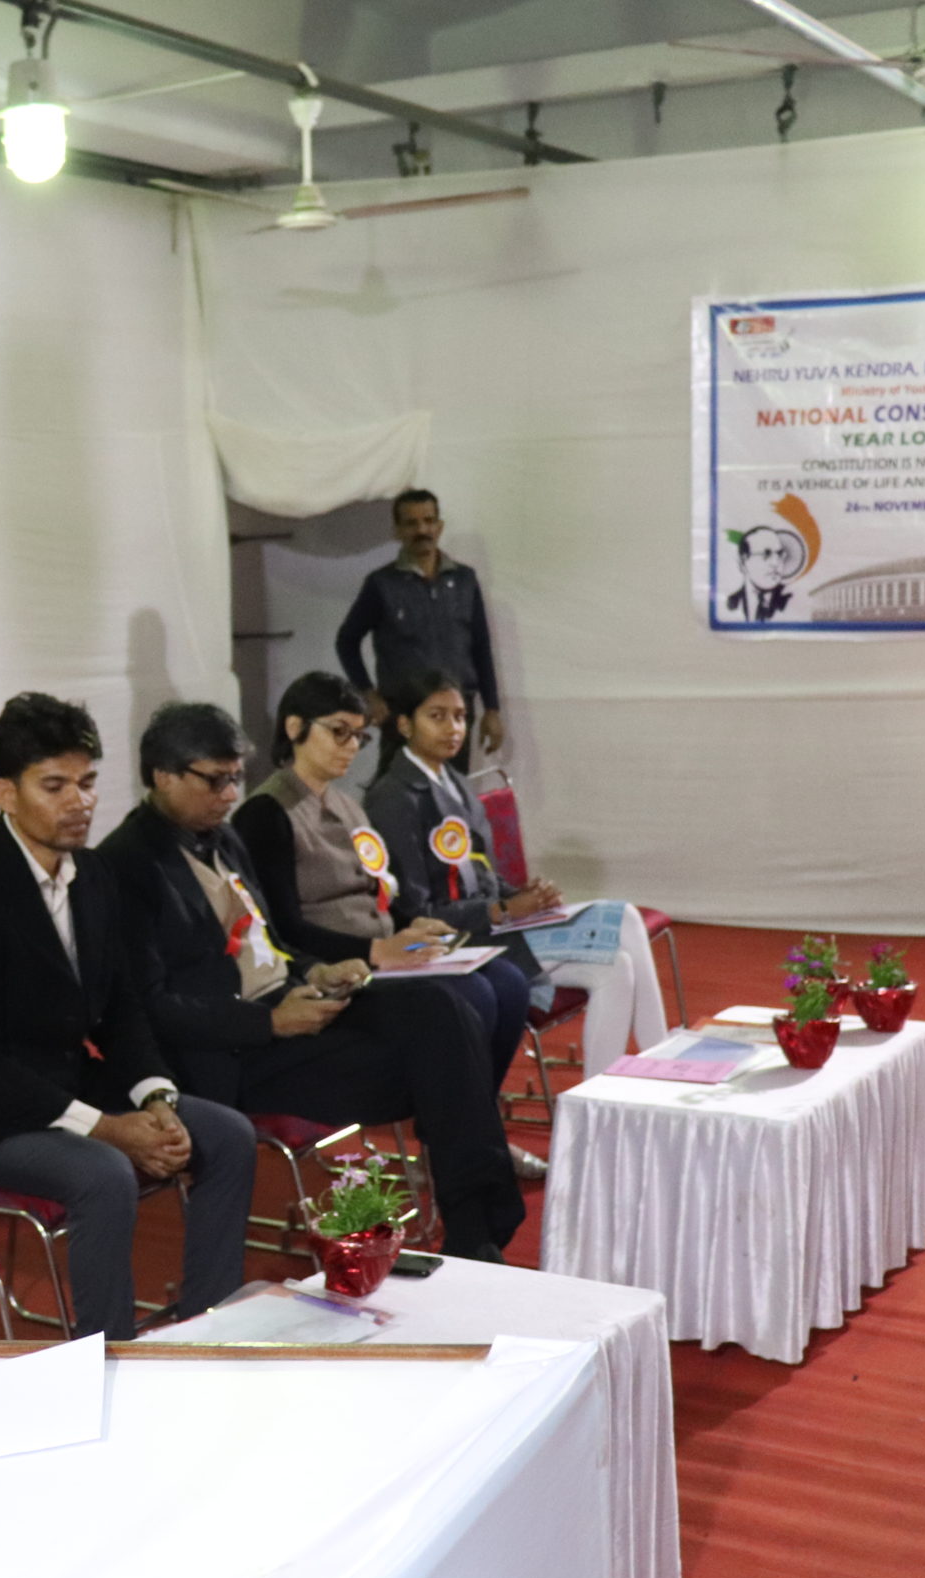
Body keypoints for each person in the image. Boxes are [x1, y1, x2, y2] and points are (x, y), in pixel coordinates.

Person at [102, 702, 525, 1260]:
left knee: (441, 1007)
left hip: (292, 1000)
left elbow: (273, 940)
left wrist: (317, 969)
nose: (230, 794)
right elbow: (150, 1007)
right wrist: (270, 1022)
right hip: (236, 1048)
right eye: (215, 780)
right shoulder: (125, 864)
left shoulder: (221, 838)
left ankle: (478, 1222)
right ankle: (477, 1232)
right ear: (163, 776)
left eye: (236, 778)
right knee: (438, 1065)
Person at [0, 692, 257, 1339]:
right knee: (104, 1172)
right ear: (6, 793)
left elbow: (121, 1009)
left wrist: (156, 1097)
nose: (80, 801)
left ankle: (207, 1331)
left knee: (228, 1135)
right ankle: (107, 1356)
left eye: (89, 782)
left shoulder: (94, 875)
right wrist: (107, 1128)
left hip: (69, 1085)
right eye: (55, 786)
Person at [230, 673, 545, 1180]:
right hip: (340, 965)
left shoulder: (346, 802)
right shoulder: (267, 812)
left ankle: (470, 1132)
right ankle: (457, 1147)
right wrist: (378, 950)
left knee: (507, 983)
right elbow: (284, 928)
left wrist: (413, 925)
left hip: (384, 948)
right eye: (339, 732)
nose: (351, 746)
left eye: (359, 735)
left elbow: (379, 890)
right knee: (474, 996)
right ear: (294, 727)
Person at [368, 667, 669, 1081]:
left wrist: (525, 896)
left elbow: (484, 877)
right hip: (452, 942)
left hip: (491, 926)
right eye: (436, 716)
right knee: (626, 919)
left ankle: (591, 1105)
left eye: (460, 716)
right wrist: (502, 910)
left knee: (616, 968)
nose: (453, 728)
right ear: (404, 724)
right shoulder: (392, 797)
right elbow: (414, 911)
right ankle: (661, 1064)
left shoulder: (455, 783)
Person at [335, 488, 501, 773]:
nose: (422, 530)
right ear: (398, 530)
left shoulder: (465, 580)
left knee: (452, 792)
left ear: (440, 526)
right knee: (397, 791)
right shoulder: (382, 584)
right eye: (411, 523)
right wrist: (368, 694)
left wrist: (492, 710)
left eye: (428, 521)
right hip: (403, 716)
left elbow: (481, 647)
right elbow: (346, 641)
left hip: (455, 714)